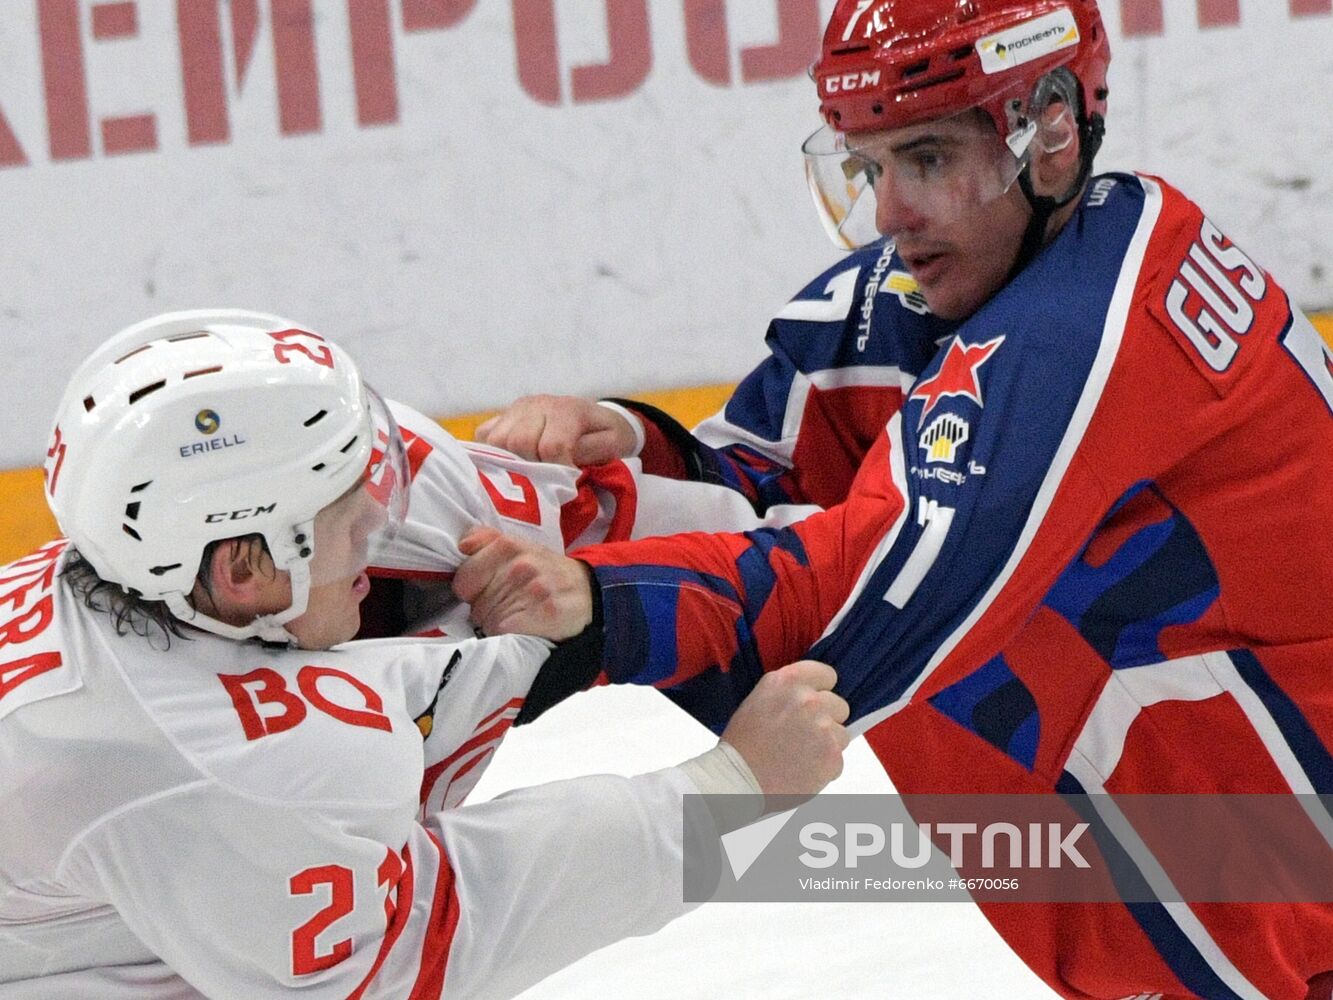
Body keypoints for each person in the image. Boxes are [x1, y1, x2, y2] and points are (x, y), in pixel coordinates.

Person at [456, 1, 1333, 997]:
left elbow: (860, 604)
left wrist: (598, 611)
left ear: (1048, 133)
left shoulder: (1085, 332)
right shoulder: (934, 291)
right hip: (1193, 912)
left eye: (923, 159)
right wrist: (633, 464)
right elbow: (770, 488)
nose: (888, 216)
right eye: (868, 168)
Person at [0, 312, 850, 999]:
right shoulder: (200, 767)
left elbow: (694, 531)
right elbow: (437, 942)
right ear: (248, 567)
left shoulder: (293, 496)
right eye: (349, 519)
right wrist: (728, 792)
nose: (384, 525)